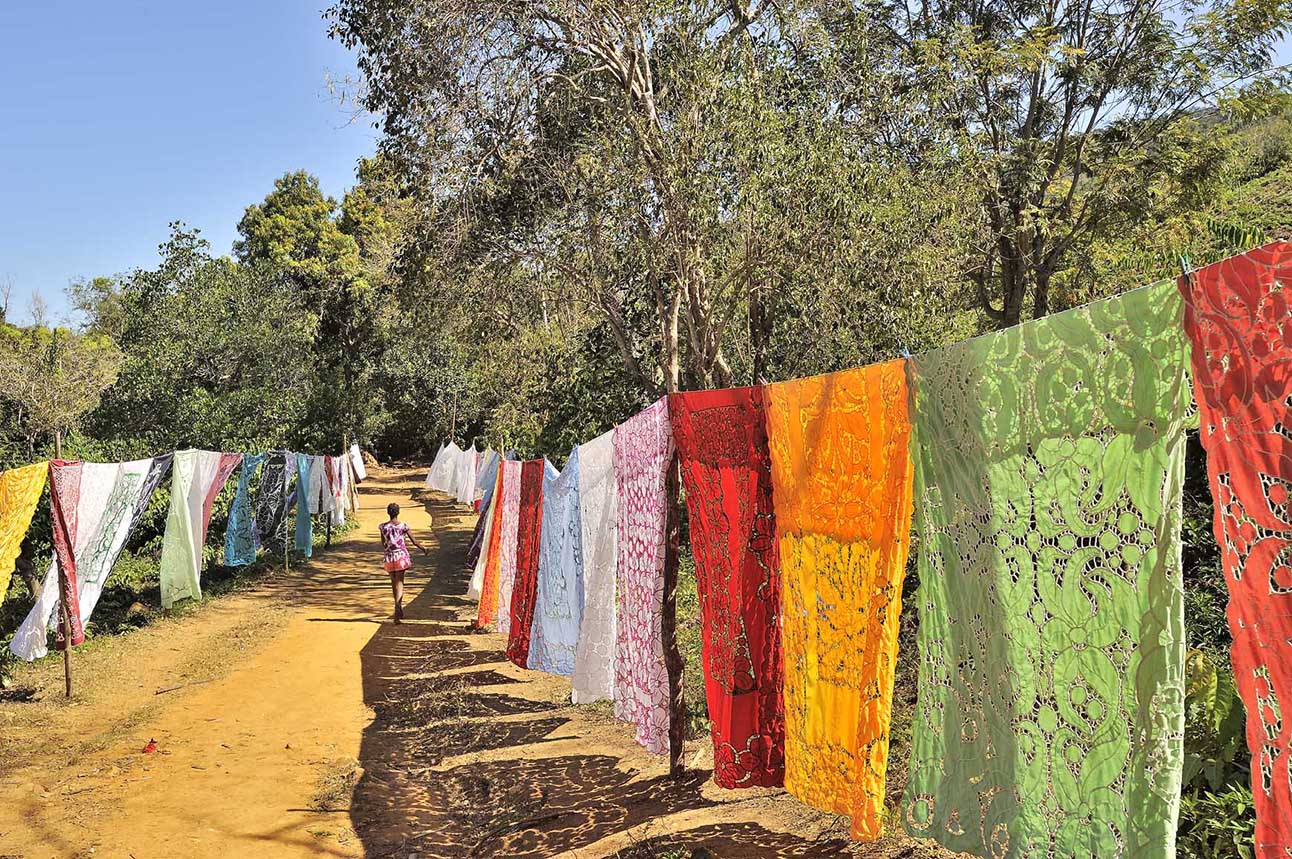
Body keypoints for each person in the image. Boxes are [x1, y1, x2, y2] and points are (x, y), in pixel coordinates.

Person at [379, 502, 428, 623]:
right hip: (401, 556)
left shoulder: (383, 527)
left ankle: (398, 606)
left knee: (394, 582)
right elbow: (414, 541)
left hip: (389, 557)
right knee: (400, 582)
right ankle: (398, 605)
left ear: (388, 513)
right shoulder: (403, 526)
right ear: (398, 512)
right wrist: (424, 549)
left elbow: (383, 544)